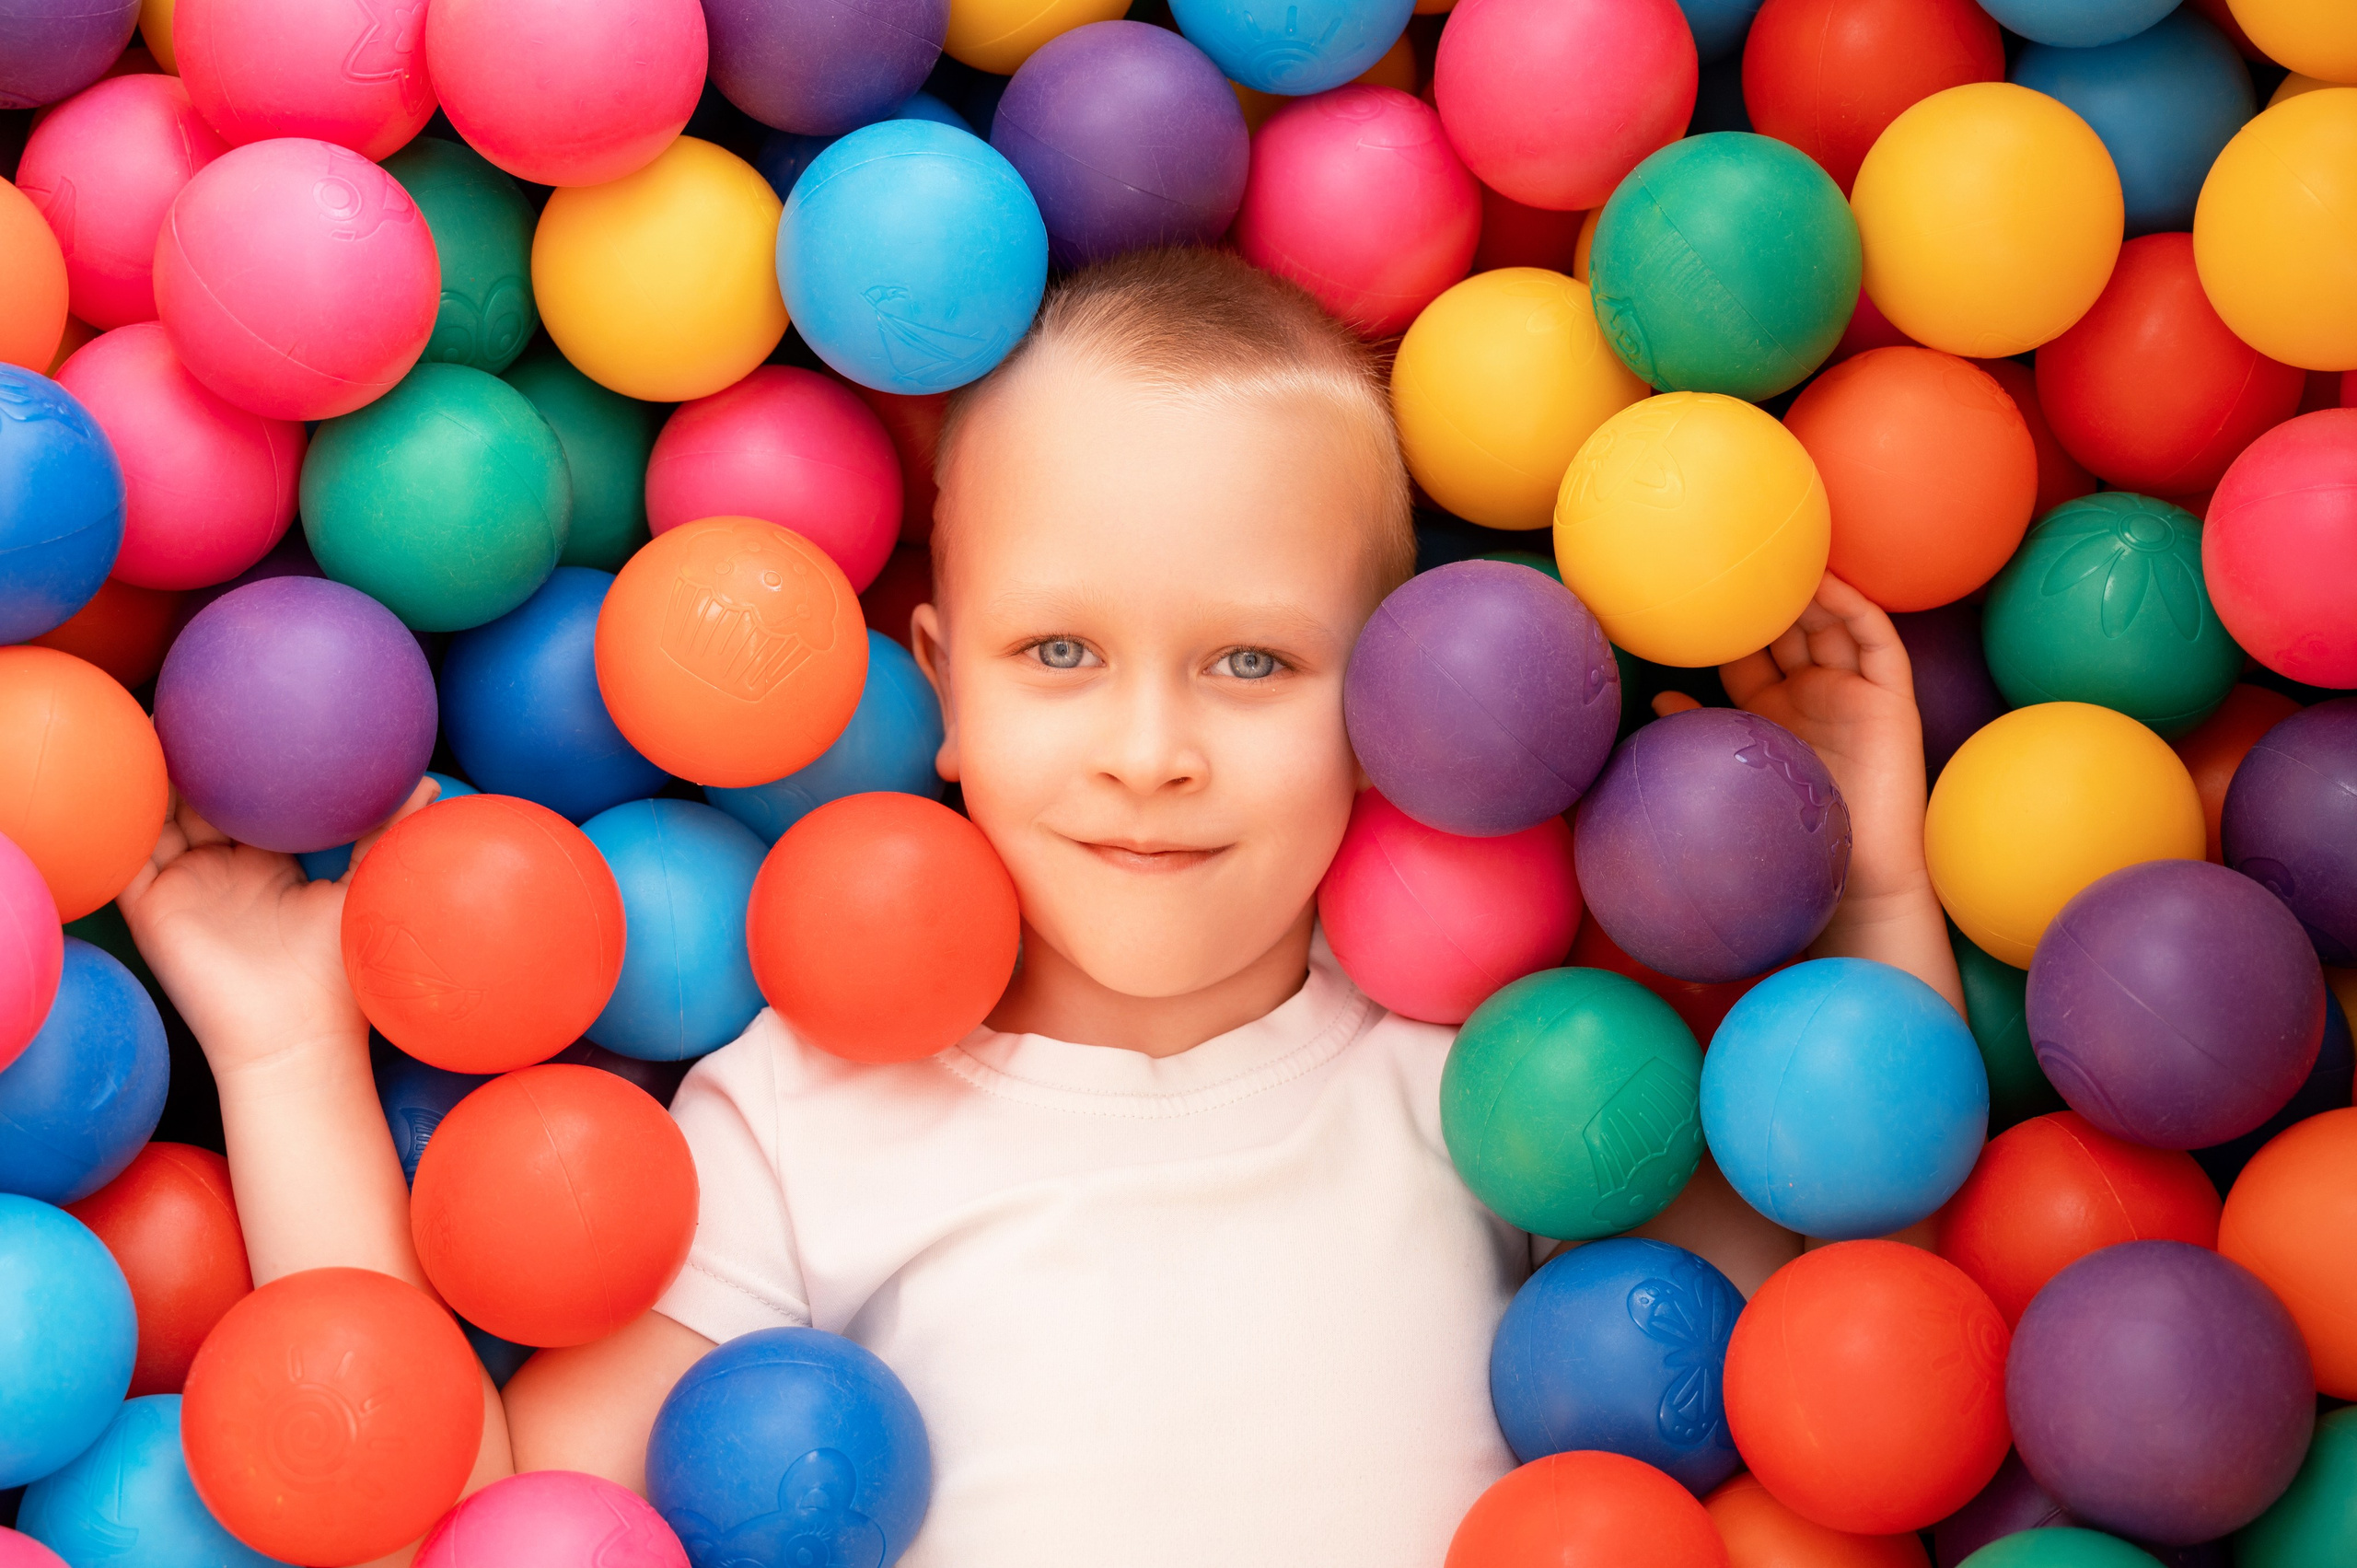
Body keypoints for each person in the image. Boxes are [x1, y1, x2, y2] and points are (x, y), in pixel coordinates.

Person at [121, 247, 1962, 1567]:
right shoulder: (791, 1121)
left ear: (1394, 708)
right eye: (1058, 652)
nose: (1145, 750)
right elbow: (484, 1495)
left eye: (1248, 661)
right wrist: (288, 1049)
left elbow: (1816, 1296)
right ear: (938, 686)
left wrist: (1873, 877)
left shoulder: (1499, 1089)